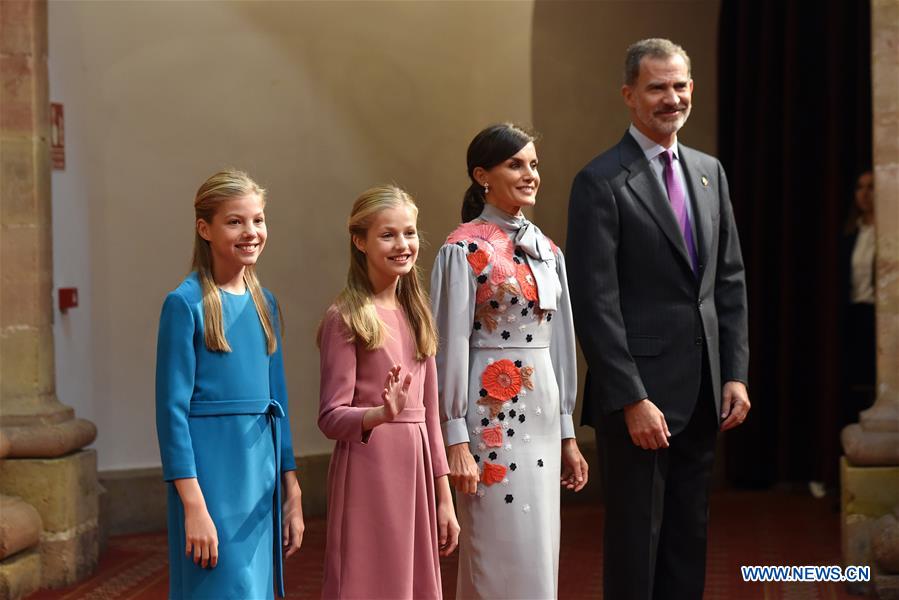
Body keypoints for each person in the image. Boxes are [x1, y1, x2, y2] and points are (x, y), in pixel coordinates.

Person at [566, 39, 750, 600]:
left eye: (681, 85)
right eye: (657, 87)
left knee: (687, 536)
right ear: (628, 95)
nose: (672, 98)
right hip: (639, 400)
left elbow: (729, 282)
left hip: (702, 392)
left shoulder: (708, 172)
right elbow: (595, 302)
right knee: (636, 541)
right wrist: (630, 398)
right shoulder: (600, 181)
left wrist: (735, 372)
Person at [431, 123, 588, 599]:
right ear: (483, 176)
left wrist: (568, 431)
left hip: (542, 410)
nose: (530, 174)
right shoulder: (463, 249)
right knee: (496, 544)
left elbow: (561, 342)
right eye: (515, 164)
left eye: (534, 164)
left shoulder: (548, 249)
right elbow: (447, 347)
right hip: (489, 415)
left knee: (539, 543)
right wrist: (454, 435)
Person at [156, 169, 304, 599]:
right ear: (205, 228)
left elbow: (279, 401)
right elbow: (171, 415)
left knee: (254, 590)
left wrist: (291, 488)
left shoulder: (265, 303)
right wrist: (194, 506)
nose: (251, 232)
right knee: (220, 587)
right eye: (235, 221)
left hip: (261, 477)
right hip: (211, 480)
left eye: (258, 220)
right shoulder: (184, 304)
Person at [317, 185, 459, 600]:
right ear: (360, 241)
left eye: (410, 233)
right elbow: (329, 416)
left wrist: (443, 496)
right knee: (367, 581)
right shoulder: (345, 317)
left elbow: (431, 419)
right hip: (368, 469)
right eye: (388, 235)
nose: (403, 245)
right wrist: (378, 413)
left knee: (411, 585)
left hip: (416, 470)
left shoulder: (417, 314)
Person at [839, 170, 876, 427]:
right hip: (853, 315)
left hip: (878, 317)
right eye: (859, 187)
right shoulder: (851, 233)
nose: (864, 194)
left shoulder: (886, 234)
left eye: (871, 187)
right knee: (853, 384)